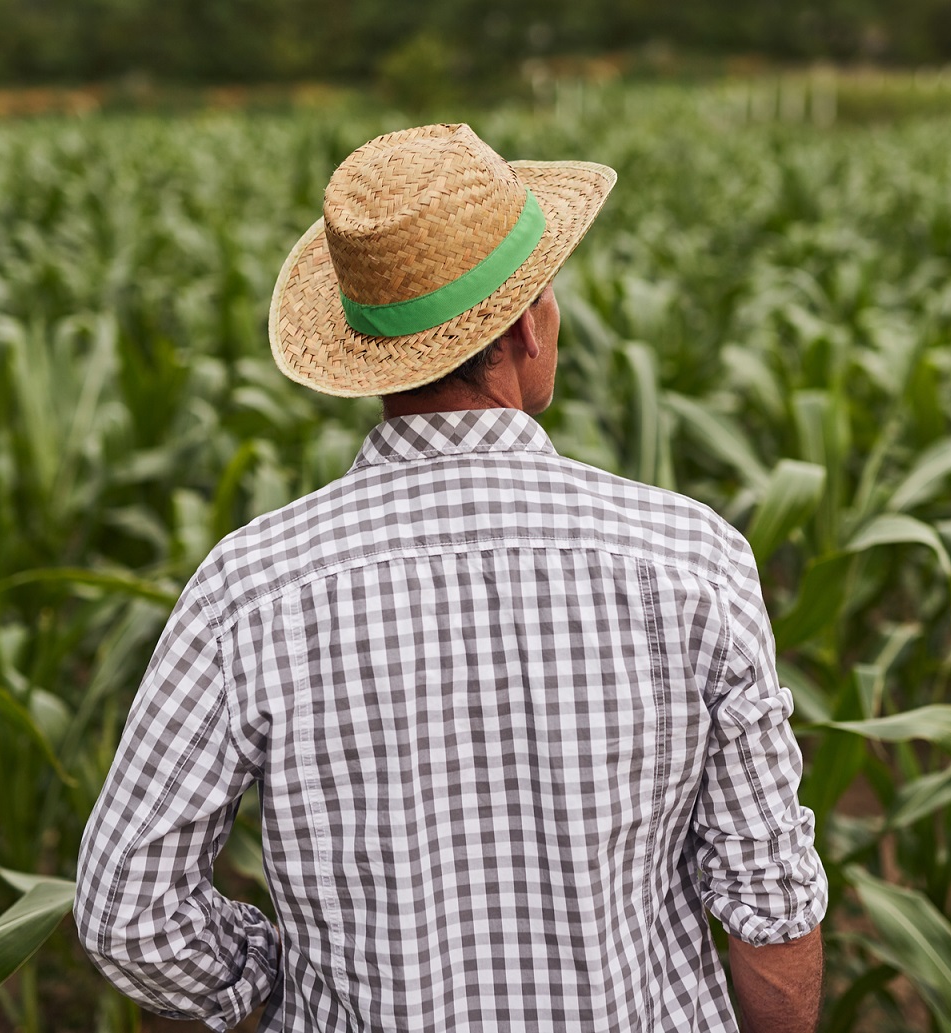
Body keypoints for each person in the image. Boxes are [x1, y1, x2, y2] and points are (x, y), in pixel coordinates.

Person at [75, 122, 827, 1032]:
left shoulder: (251, 589)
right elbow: (772, 903)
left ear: (369, 356)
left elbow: (126, 906)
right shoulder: (690, 558)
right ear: (529, 327)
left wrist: (277, 988)